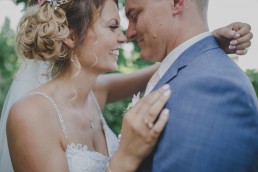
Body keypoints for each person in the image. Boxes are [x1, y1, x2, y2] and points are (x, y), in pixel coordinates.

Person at [0, 0, 253, 172]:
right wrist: (125, 158)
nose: (124, 36)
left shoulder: (94, 93)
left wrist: (206, 42)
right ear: (71, 35)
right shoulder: (30, 115)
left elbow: (167, 68)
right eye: (113, 27)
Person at [124, 0, 258, 171]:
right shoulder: (185, 73)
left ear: (176, 3)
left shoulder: (215, 90)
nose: (129, 32)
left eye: (135, 15)